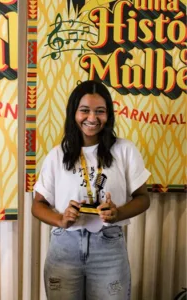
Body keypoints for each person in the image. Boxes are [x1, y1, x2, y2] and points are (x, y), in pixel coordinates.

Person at [32, 80, 151, 300]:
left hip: (108, 246)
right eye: (85, 110)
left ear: (109, 115)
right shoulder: (58, 154)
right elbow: (37, 205)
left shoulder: (124, 150)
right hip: (64, 246)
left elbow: (143, 198)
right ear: (73, 113)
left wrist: (118, 214)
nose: (92, 118)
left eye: (100, 111)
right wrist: (60, 219)